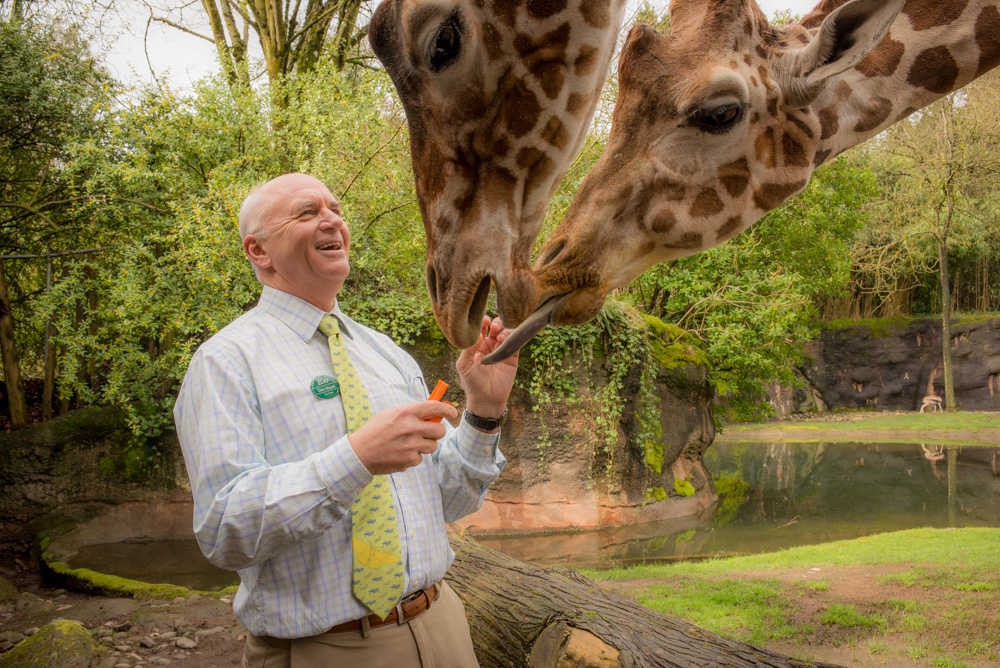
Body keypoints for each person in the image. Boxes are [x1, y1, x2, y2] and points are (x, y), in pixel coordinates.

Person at [173, 173, 517, 667]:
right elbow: (226, 530)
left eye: (335, 209)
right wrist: (354, 460)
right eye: (307, 212)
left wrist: (484, 411)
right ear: (259, 251)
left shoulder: (385, 353)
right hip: (324, 650)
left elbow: (450, 500)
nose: (332, 219)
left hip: (443, 626)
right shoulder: (225, 362)